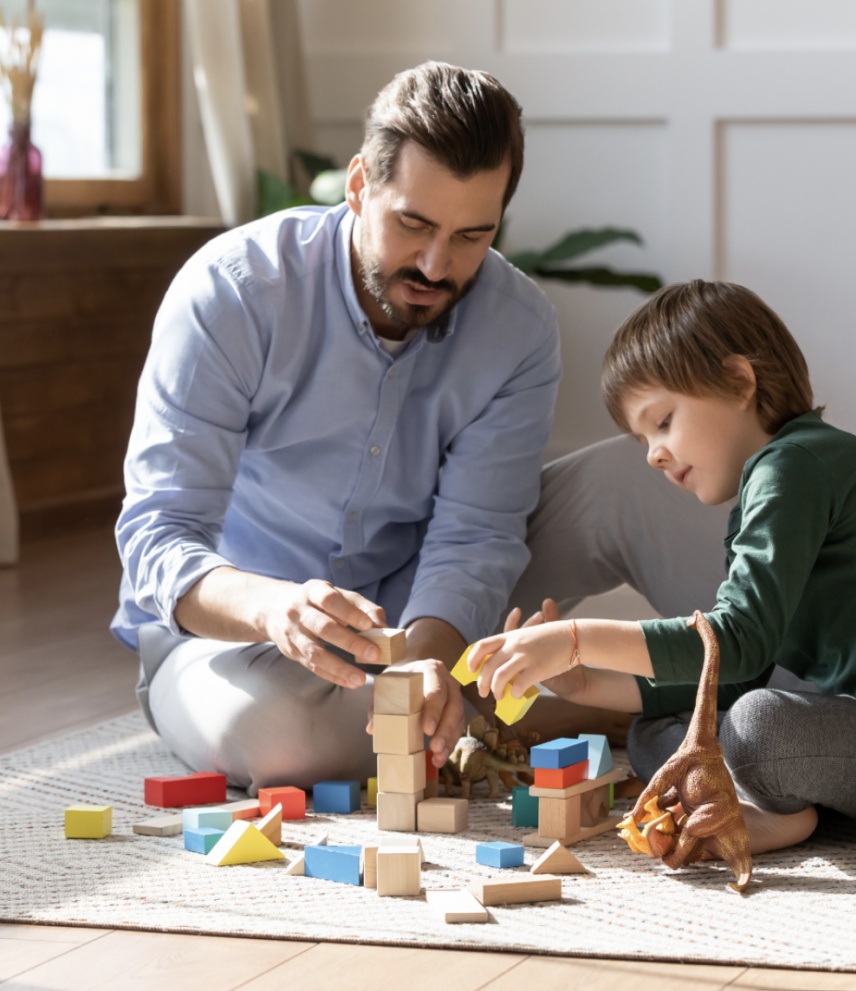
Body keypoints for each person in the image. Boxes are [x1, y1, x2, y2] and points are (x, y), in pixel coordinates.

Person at [113, 61, 729, 794]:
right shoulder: (232, 293)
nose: (438, 265)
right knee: (290, 743)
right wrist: (275, 607)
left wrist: (428, 656)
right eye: (414, 224)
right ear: (358, 186)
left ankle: (784, 696)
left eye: (473, 234)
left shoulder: (518, 325)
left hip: (430, 603)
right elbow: (159, 534)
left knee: (634, 478)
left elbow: (476, 534)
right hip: (238, 634)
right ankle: (554, 709)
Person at [468, 279, 856, 853]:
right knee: (660, 736)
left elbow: (737, 642)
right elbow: (740, 671)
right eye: (642, 437)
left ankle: (773, 806)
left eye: (663, 421)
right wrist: (584, 682)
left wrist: (575, 638)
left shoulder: (796, 466)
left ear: (740, 382)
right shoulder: (761, 496)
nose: (652, 453)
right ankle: (779, 801)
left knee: (756, 727)